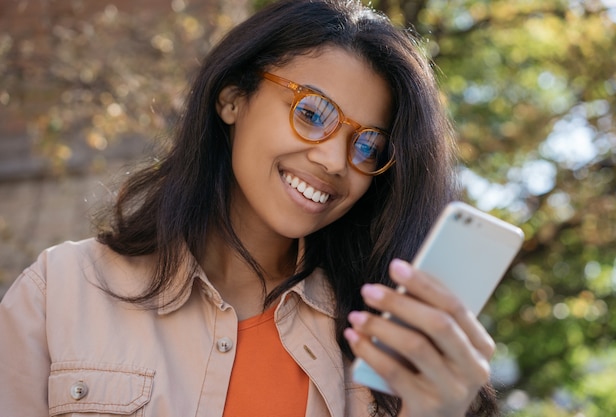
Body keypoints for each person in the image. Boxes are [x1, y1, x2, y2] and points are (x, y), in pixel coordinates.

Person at [0, 0, 500, 416]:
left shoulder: (382, 356)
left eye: (367, 146)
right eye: (311, 112)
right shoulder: (61, 291)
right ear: (233, 98)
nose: (333, 160)